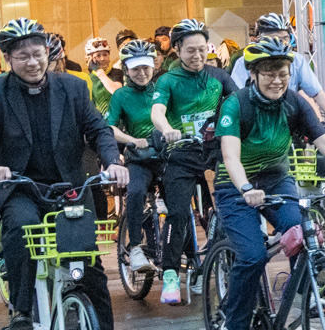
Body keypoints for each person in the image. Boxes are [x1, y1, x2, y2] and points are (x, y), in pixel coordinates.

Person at [0, 18, 135, 330]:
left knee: (92, 274)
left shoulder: (74, 88)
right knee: (21, 230)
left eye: (38, 53)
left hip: (69, 190)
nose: (32, 62)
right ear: (9, 59)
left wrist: (112, 161)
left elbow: (98, 129)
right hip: (20, 187)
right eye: (22, 56)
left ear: (49, 53)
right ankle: (23, 314)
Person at [212, 37, 325, 330]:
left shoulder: (294, 102)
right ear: (253, 73)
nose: (277, 79)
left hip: (275, 179)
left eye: (283, 72)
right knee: (254, 256)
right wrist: (245, 189)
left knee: (303, 233)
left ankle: (307, 290)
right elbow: (230, 157)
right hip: (236, 187)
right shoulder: (236, 104)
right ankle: (231, 328)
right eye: (269, 72)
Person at [151, 18, 235, 305]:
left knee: (226, 209)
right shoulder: (168, 80)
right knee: (176, 213)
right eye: (190, 50)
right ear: (176, 49)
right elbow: (157, 112)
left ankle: (220, 262)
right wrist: (166, 129)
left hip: (214, 154)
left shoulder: (219, 76)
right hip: (181, 154)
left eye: (202, 49)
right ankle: (171, 274)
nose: (197, 56)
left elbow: (239, 103)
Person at [230, 13, 325, 132]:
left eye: (285, 38)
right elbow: (236, 98)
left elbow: (316, 92)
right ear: (259, 38)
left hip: (288, 121)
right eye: (275, 38)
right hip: (255, 124)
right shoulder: (244, 62)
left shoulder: (297, 60)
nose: (282, 43)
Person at [106, 39, 161, 279]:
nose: (141, 73)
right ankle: (136, 247)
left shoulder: (163, 89)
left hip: (165, 155)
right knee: (136, 192)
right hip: (138, 158)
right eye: (135, 68)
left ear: (153, 66)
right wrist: (131, 139)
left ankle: (190, 255)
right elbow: (109, 127)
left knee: (180, 199)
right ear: (126, 69)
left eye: (146, 67)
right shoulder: (121, 95)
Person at [83, 37, 117, 114]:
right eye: (98, 56)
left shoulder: (117, 72)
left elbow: (117, 92)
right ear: (89, 58)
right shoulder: (88, 79)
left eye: (105, 55)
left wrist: (99, 72)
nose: (102, 59)